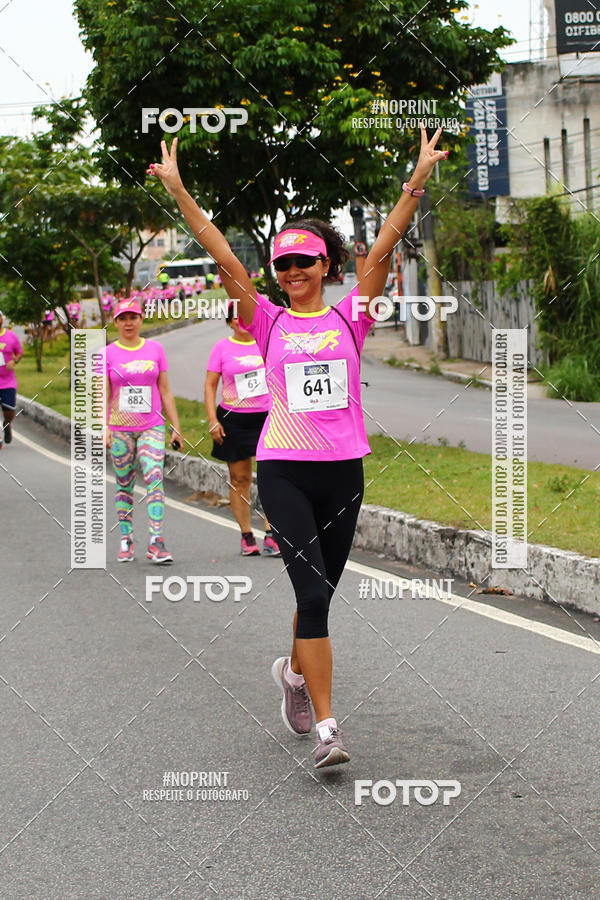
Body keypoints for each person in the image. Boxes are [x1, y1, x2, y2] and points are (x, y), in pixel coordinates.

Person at [149, 129, 447, 767]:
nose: (291, 272)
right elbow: (219, 249)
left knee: (320, 596)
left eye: (304, 262)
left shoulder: (350, 315)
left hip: (343, 472)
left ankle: (292, 674)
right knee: (311, 596)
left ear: (326, 268)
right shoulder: (266, 319)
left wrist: (416, 181)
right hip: (283, 470)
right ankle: (329, 729)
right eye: (282, 265)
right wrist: (178, 191)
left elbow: (388, 241)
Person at [103, 297, 184, 563]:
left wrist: (176, 427)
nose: (128, 323)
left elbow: (165, 389)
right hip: (120, 429)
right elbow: (102, 395)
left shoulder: (155, 349)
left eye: (133, 317)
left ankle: (156, 541)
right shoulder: (108, 353)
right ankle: (126, 539)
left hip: (152, 425)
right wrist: (104, 427)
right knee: (124, 484)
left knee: (154, 478)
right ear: (115, 322)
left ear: (141, 319)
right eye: (123, 318)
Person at [205, 301, 281, 557]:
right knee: (240, 479)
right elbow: (210, 385)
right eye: (234, 317)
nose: (240, 320)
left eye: (244, 315)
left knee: (272, 477)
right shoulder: (221, 348)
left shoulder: (267, 341)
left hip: (267, 418)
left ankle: (272, 534)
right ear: (229, 322)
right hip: (233, 419)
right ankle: (247, 534)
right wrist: (212, 420)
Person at [0, 310, 23, 448]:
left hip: (7, 382)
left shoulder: (11, 337)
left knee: (9, 411)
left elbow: (19, 353)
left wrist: (15, 361)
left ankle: (7, 424)